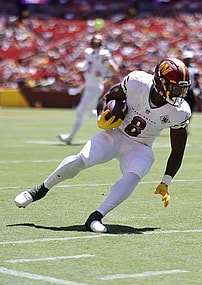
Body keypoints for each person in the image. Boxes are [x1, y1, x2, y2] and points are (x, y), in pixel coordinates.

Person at [15, 58, 192, 233]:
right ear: (160, 83)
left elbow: (178, 148)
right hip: (114, 134)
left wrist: (166, 181)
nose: (179, 94)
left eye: (182, 89)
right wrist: (102, 115)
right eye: (175, 88)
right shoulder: (137, 82)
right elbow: (109, 96)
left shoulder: (180, 112)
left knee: (134, 174)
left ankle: (96, 216)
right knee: (82, 159)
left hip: (140, 146)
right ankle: (39, 190)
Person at [58, 34, 119, 145]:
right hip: (89, 86)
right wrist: (82, 66)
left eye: (97, 43)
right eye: (94, 43)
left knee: (80, 111)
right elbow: (88, 66)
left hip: (95, 88)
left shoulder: (103, 54)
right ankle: (113, 119)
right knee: (90, 113)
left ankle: (70, 137)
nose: (95, 45)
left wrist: (103, 73)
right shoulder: (88, 53)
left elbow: (114, 69)